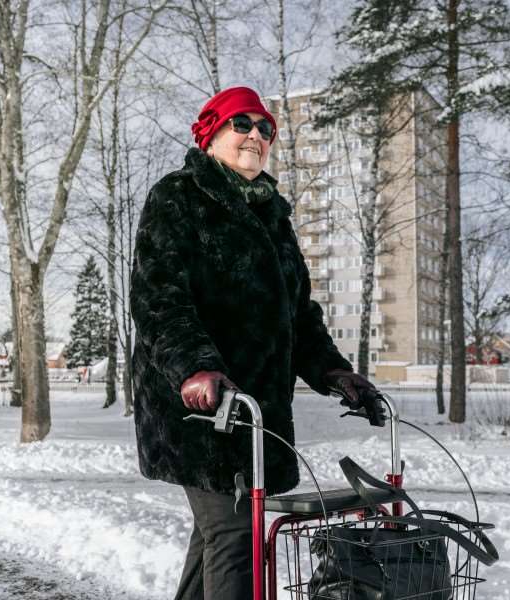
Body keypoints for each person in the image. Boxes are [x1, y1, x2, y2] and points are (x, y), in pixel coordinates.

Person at [129, 86, 383, 600]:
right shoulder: (178, 197)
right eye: (241, 124)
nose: (256, 135)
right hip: (199, 408)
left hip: (256, 408)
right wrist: (195, 368)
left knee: (219, 537)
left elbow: (298, 315)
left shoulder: (273, 215)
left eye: (265, 128)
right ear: (211, 134)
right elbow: (160, 300)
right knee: (234, 536)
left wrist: (334, 372)